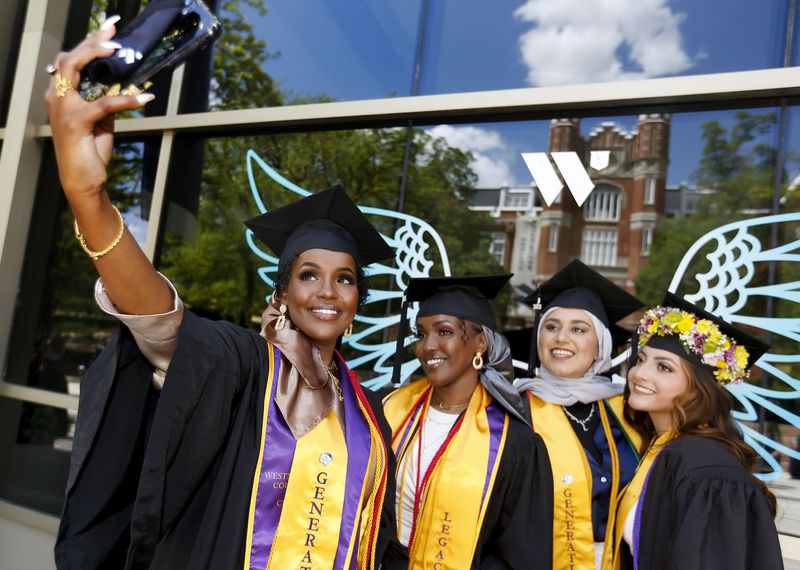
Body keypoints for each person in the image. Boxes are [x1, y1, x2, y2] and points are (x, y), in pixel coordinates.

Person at [46, 20, 405, 570]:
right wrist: (87, 195)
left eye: (346, 278)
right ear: (282, 291)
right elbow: (161, 319)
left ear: (358, 298)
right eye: (308, 275)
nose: (328, 292)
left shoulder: (368, 407)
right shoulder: (242, 365)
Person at [382, 274, 554, 569]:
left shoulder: (513, 444)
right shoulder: (389, 411)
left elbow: (523, 555)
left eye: (444, 332)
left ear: (480, 343)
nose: (428, 346)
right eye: (421, 335)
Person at [603, 292, 783, 570]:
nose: (639, 374)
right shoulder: (663, 448)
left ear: (698, 388)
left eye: (664, 367)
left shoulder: (701, 463)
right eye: (640, 360)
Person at [513, 260, 645, 570]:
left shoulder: (627, 410)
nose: (561, 338)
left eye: (578, 329)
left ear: (600, 345)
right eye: (552, 326)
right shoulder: (512, 408)